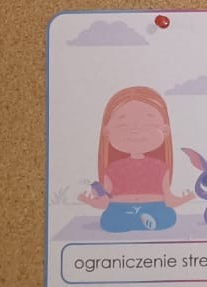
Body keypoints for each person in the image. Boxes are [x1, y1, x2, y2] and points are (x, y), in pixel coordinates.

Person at [76, 86, 197, 232]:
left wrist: (185, 198)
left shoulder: (160, 167)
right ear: (107, 131)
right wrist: (88, 200)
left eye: (147, 126)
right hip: (120, 208)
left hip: (154, 206)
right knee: (108, 220)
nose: (135, 131)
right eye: (123, 126)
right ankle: (138, 219)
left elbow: (168, 199)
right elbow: (105, 201)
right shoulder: (112, 169)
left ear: (165, 130)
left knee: (168, 217)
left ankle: (135, 219)